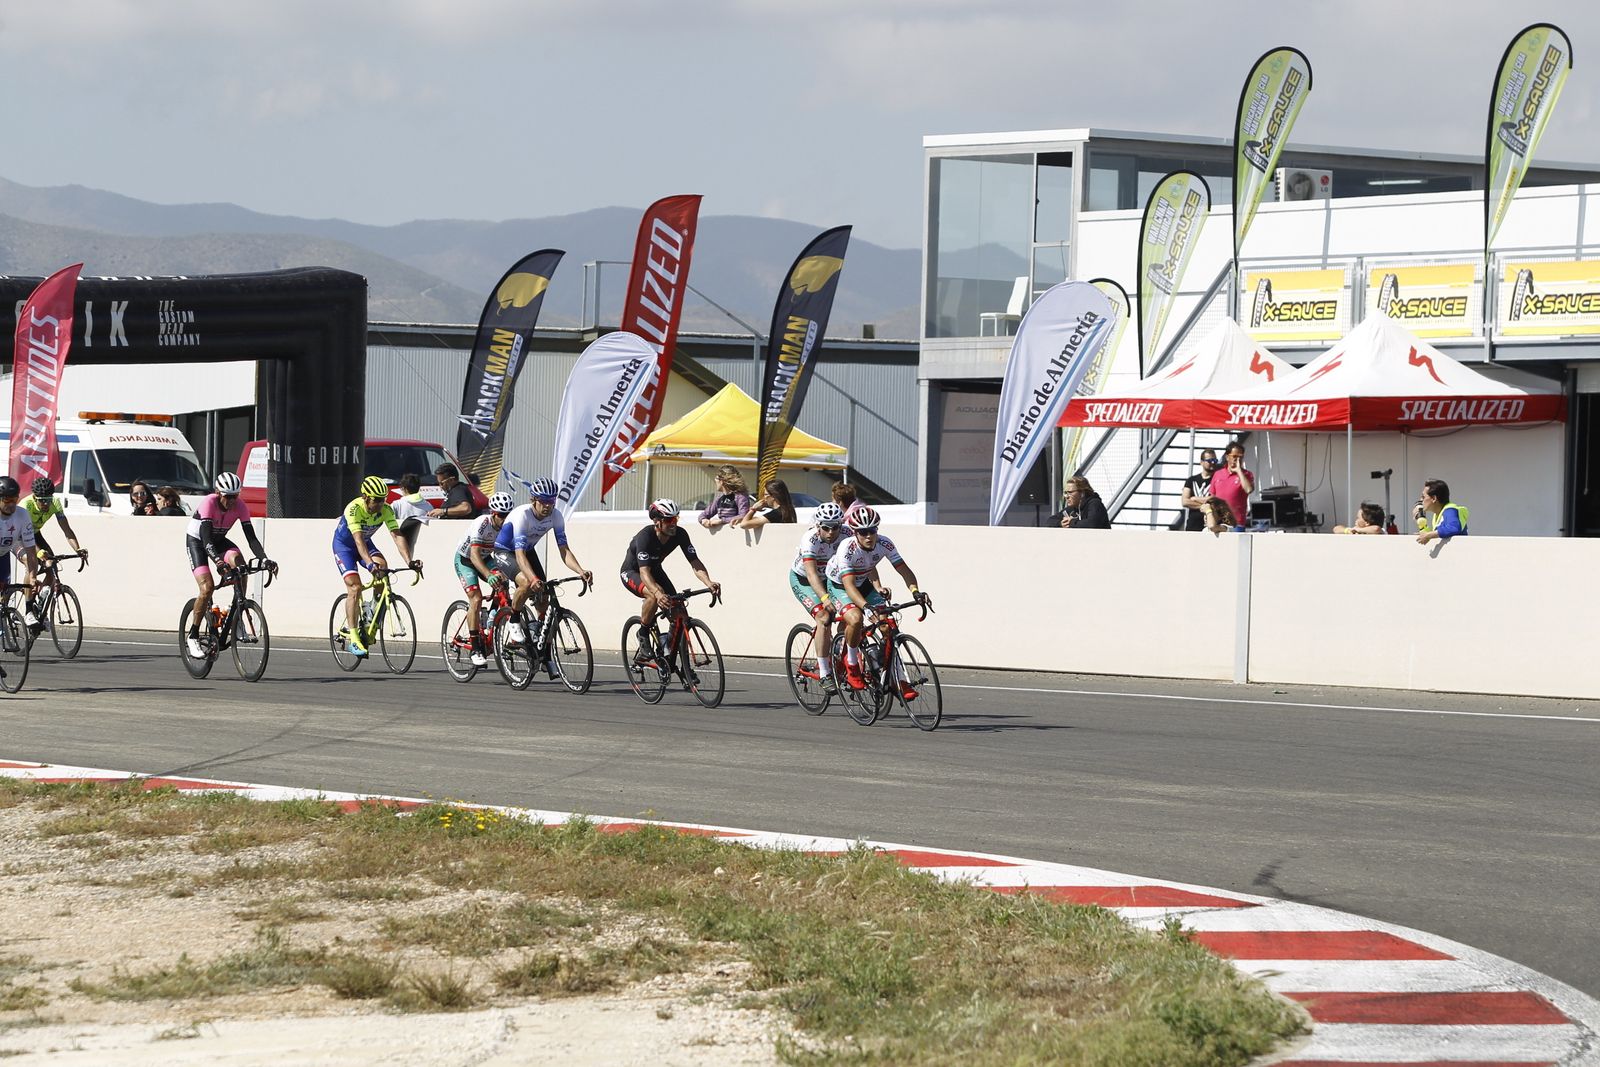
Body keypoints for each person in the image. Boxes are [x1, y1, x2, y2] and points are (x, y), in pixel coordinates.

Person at [824, 506, 926, 698]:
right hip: (840, 585)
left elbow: (904, 569)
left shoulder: (885, 543)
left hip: (863, 583)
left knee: (888, 625)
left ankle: (897, 679)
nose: (869, 536)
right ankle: (852, 663)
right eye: (863, 532)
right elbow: (849, 586)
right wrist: (865, 607)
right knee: (855, 618)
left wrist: (916, 591)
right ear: (855, 533)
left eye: (872, 531)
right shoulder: (847, 548)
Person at [490, 477, 592, 648]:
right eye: (543, 501)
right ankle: (514, 619)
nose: (548, 505)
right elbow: (519, 554)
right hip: (506, 551)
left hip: (527, 550)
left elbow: (564, 550)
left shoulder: (556, 516)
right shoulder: (522, 515)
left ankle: (539, 634)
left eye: (551, 501)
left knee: (544, 592)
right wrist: (532, 579)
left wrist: (580, 571)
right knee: (526, 583)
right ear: (533, 500)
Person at [185, 472, 276, 659]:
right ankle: (193, 635)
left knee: (241, 567)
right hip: (198, 541)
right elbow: (206, 539)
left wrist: (265, 559)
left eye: (236, 496)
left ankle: (237, 619)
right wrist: (218, 563)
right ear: (218, 493)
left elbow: (251, 538)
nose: (232, 501)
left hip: (219, 541)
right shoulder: (209, 503)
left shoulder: (240, 506)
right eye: (228, 497)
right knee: (207, 587)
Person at [621, 499, 720, 665]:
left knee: (679, 612)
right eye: (669, 520)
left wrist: (708, 582)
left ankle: (671, 654)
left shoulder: (680, 534)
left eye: (676, 519)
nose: (673, 524)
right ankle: (643, 633)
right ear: (657, 522)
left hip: (655, 571)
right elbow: (644, 572)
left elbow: (695, 562)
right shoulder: (645, 536)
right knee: (654, 595)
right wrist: (658, 593)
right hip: (633, 572)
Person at [332, 475, 419, 659]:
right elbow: (357, 540)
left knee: (383, 567)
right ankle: (354, 638)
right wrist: (370, 564)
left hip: (365, 543)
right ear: (365, 497)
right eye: (376, 500)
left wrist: (409, 561)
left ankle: (372, 610)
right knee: (355, 587)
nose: (380, 504)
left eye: (383, 500)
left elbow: (396, 535)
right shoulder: (354, 509)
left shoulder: (386, 510)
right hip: (345, 547)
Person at [789, 501, 847, 693]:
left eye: (835, 527)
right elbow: (812, 575)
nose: (831, 532)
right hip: (804, 579)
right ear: (818, 526)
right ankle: (824, 673)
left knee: (850, 615)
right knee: (824, 617)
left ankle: (840, 655)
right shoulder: (810, 539)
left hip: (830, 579)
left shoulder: (848, 536)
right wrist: (824, 599)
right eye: (826, 528)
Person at [453, 490, 515, 668]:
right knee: (476, 598)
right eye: (502, 515)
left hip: (487, 558)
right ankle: (476, 648)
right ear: (493, 514)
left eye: (508, 515)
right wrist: (488, 576)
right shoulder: (482, 523)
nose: (505, 519)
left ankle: (492, 619)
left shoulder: (509, 526)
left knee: (503, 583)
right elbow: (474, 556)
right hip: (466, 560)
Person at [0, 477, 41, 639]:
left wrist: (32, 577)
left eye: (15, 499)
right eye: (7, 500)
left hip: (3, 554)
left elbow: (31, 551)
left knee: (4, 592)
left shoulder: (22, 514)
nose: (11, 504)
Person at [21, 477, 87, 565]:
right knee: (32, 563)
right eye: (42, 500)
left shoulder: (55, 503)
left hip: (34, 533)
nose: (46, 504)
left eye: (49, 500)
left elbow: (67, 530)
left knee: (51, 564)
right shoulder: (26, 506)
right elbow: (24, 535)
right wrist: (38, 551)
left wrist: (78, 549)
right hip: (19, 536)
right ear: (34, 497)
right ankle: (32, 579)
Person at [1210, 441, 1254, 527]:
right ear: (1227, 457)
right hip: (1219, 521)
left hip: (1237, 522)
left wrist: (1239, 471)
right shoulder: (1218, 474)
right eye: (1234, 456)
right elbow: (1212, 496)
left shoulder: (1246, 474)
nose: (1237, 459)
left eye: (1240, 457)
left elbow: (1248, 489)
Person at [1414, 479, 1468, 545]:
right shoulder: (1437, 514)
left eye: (1423, 497)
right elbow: (1438, 534)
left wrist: (1428, 535)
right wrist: (1421, 525)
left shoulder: (1450, 510)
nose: (1421, 500)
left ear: (1434, 498)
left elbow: (1453, 528)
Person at [698, 465, 751, 530]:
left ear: (722, 481)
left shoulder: (740, 497)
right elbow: (704, 515)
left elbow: (743, 516)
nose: (715, 481)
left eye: (716, 478)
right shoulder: (719, 498)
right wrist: (703, 520)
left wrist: (721, 521)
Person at [391, 473, 431, 554]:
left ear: (403, 488)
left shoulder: (396, 504)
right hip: (422, 547)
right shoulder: (429, 505)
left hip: (400, 546)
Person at [1179, 450, 1219, 531]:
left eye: (1215, 460)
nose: (1213, 463)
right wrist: (1204, 506)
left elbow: (1215, 499)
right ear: (1201, 462)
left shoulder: (1218, 480)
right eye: (1209, 461)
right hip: (1192, 525)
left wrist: (1194, 498)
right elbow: (1185, 501)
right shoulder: (1191, 480)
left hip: (1211, 525)